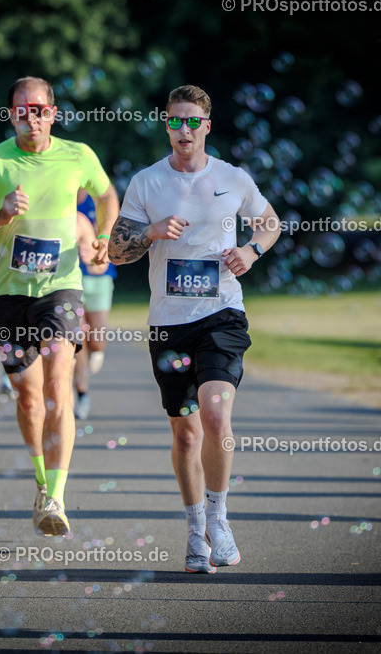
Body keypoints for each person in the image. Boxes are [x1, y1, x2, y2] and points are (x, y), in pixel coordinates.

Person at [108, 85, 280, 574]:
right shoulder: (146, 182)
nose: (184, 130)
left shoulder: (232, 178)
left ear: (207, 126)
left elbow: (270, 223)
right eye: (175, 121)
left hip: (222, 313)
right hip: (168, 323)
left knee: (215, 416)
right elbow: (116, 252)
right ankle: (194, 528)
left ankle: (220, 519)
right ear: (166, 124)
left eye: (192, 121)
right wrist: (150, 232)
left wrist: (251, 251)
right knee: (185, 436)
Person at [0, 76, 118, 537]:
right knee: (29, 398)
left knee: (58, 385)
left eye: (38, 109)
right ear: (10, 113)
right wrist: (1, 214)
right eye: (20, 109)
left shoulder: (78, 155)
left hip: (62, 288)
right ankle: (41, 480)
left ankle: (56, 494)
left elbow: (107, 194)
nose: (30, 117)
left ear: (53, 112)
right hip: (10, 293)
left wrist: (106, 237)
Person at [73, 189, 117, 420]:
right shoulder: (59, 197)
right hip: (71, 279)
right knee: (77, 335)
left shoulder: (101, 201)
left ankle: (95, 353)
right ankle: (82, 392)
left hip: (99, 276)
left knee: (97, 343)